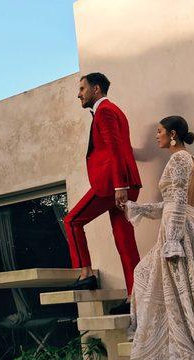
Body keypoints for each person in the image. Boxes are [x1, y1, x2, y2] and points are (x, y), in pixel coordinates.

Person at [125, 115, 194, 360]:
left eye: (159, 131)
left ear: (173, 134)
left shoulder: (178, 160)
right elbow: (172, 203)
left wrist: (173, 241)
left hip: (180, 230)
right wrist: (138, 208)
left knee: (154, 278)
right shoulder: (191, 160)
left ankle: (177, 343)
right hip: (187, 224)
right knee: (173, 283)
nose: (157, 136)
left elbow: (177, 201)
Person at [63, 73, 142, 314]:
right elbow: (123, 147)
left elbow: (116, 148)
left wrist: (119, 186)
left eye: (82, 89)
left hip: (111, 186)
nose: (79, 94)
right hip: (125, 184)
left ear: (96, 89)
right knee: (124, 241)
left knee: (72, 220)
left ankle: (85, 273)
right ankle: (135, 299)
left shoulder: (105, 111)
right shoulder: (114, 110)